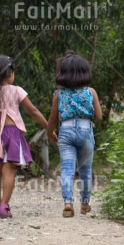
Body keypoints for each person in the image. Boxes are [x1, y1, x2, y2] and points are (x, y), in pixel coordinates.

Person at [0, 55, 50, 219]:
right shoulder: (17, 90)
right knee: (9, 171)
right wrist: (49, 128)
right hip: (12, 134)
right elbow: (34, 111)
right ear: (10, 73)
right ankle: (4, 205)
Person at [46, 50, 102, 218]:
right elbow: (98, 116)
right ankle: (84, 203)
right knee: (85, 169)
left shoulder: (59, 94)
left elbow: (52, 118)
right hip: (86, 131)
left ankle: (68, 203)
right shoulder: (91, 92)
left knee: (67, 169)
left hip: (66, 131)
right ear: (84, 73)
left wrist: (50, 133)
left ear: (63, 74)